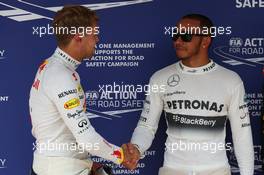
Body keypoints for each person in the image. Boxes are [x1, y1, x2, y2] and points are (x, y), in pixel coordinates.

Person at [125, 14, 255, 175]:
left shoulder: (231, 80)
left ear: (205, 41)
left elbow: (242, 135)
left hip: (216, 171)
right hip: (172, 170)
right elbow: (146, 126)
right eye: (175, 35)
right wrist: (136, 148)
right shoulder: (160, 78)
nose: (178, 41)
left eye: (186, 36)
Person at [29, 5, 137, 175]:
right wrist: (122, 156)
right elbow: (87, 138)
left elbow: (62, 131)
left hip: (57, 165)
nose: (97, 40)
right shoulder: (60, 75)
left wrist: (85, 161)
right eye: (94, 35)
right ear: (79, 37)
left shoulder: (52, 67)